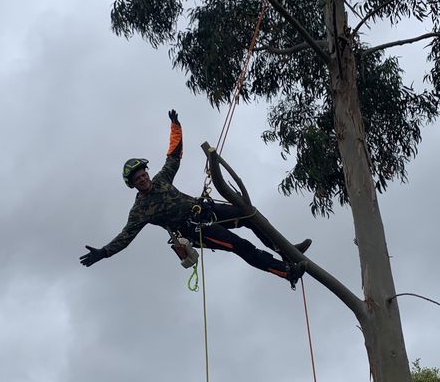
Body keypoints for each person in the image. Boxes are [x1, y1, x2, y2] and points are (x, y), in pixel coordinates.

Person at [79, 109, 310, 287]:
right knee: (240, 245)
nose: (142, 179)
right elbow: (125, 237)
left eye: (143, 174)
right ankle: (287, 272)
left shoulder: (161, 180)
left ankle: (285, 250)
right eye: (137, 179)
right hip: (195, 231)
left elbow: (174, 155)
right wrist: (103, 252)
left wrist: (175, 126)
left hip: (205, 210)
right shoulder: (140, 211)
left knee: (249, 215)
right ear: (132, 184)